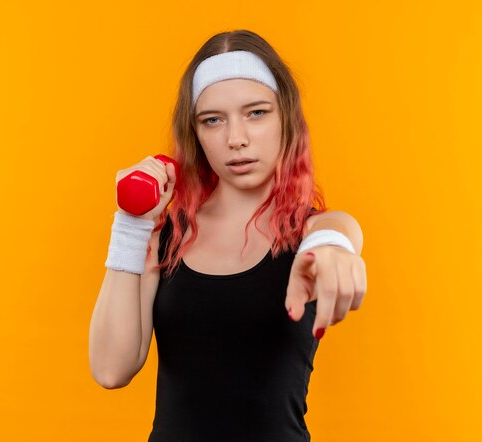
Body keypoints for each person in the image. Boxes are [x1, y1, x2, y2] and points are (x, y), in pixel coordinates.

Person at [89, 29, 367, 442]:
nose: (235, 139)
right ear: (196, 134)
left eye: (256, 113)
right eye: (213, 120)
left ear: (285, 118)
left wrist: (335, 246)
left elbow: (337, 228)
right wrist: (131, 226)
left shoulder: (308, 233)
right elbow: (111, 369)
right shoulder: (167, 236)